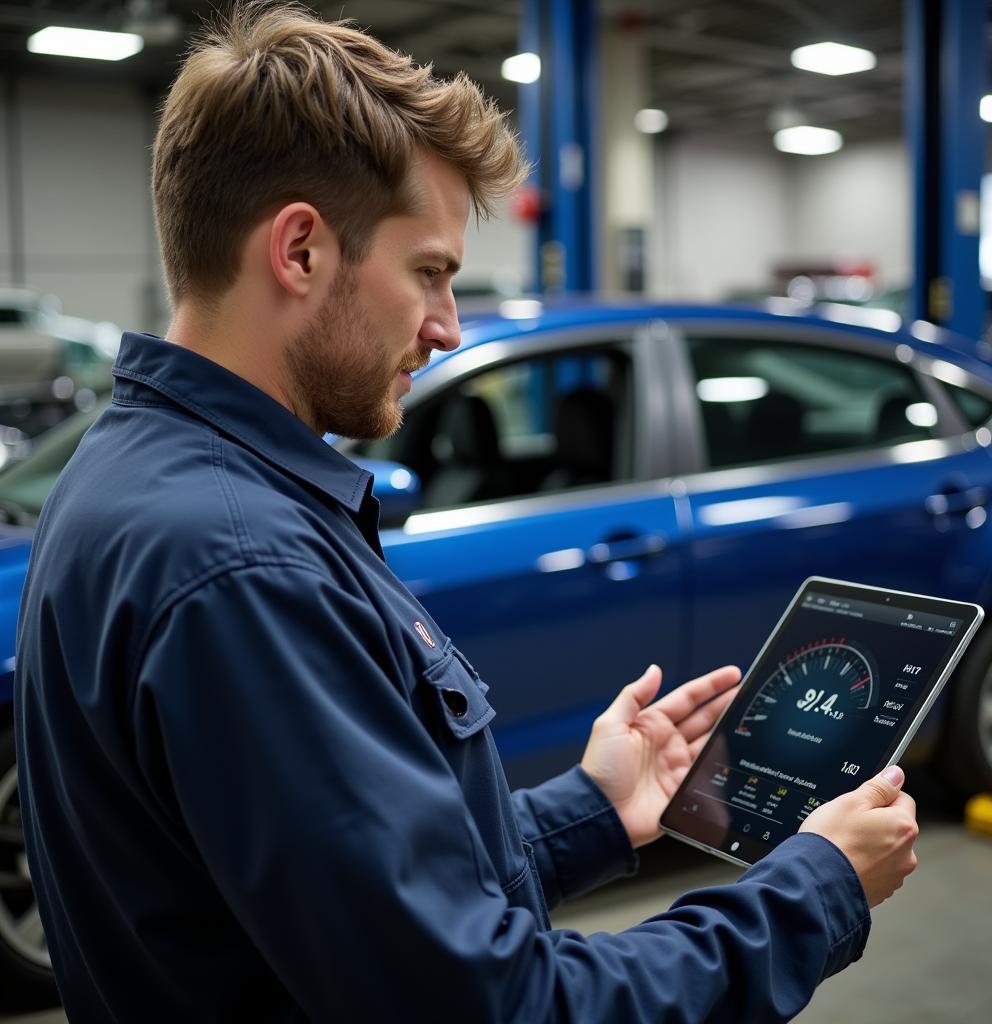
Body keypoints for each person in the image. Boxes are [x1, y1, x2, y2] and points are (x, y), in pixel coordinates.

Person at [14, 3, 919, 1021]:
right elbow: (492, 1002)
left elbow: (356, 903)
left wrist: (593, 810)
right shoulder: (242, 566)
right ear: (301, 250)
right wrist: (815, 888)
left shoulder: (130, 473)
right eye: (430, 273)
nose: (446, 325)